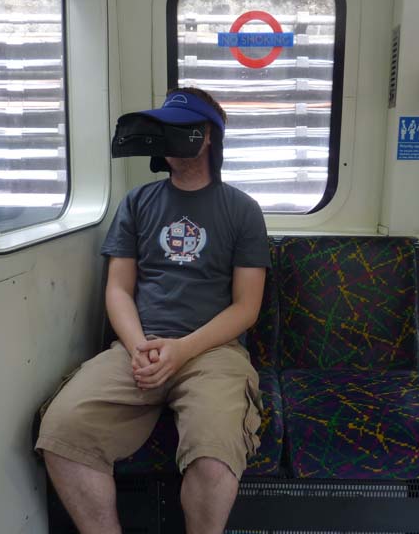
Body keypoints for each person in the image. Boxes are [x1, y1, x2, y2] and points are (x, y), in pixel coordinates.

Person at [36, 87, 270, 534]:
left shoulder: (242, 210)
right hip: (137, 347)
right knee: (62, 433)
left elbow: (247, 307)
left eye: (182, 128)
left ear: (208, 137)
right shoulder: (137, 202)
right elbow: (119, 289)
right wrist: (139, 346)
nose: (169, 137)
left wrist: (181, 351)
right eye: (165, 127)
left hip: (213, 352)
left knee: (215, 459)